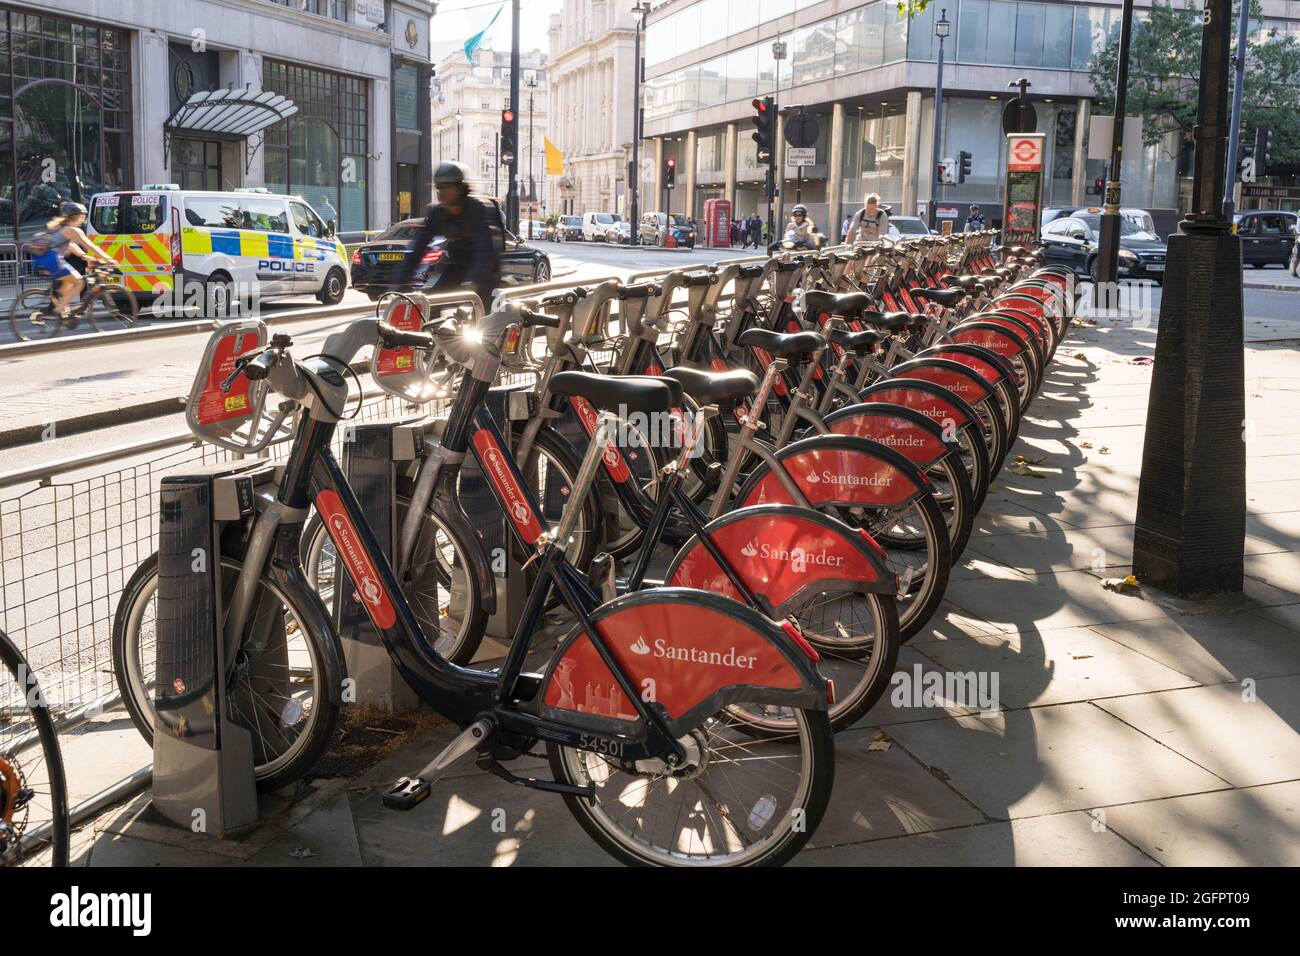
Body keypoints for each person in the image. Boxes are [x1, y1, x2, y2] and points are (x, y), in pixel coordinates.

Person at [400, 161, 502, 312]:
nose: (440, 192)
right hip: (455, 268)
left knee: (479, 313)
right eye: (438, 188)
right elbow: (419, 247)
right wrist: (399, 280)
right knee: (430, 304)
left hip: (483, 272)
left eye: (446, 187)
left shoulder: (475, 209)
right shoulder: (437, 213)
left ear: (459, 188)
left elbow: (484, 250)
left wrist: (472, 281)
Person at [31, 201, 116, 318]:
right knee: (79, 282)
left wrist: (84, 256)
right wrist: (109, 259)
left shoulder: (60, 227)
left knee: (68, 285)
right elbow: (90, 245)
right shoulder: (74, 230)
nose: (83, 219)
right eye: (83, 216)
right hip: (53, 259)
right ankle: (57, 311)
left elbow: (70, 245)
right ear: (78, 216)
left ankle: (64, 314)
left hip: (43, 258)